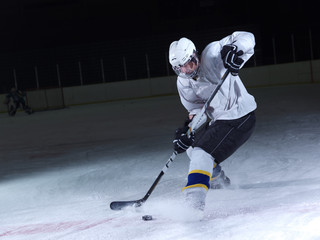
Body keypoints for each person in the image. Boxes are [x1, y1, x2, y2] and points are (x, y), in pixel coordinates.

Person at [169, 31, 257, 212]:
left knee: (202, 153)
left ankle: (194, 204)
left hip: (240, 116)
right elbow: (196, 110)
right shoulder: (183, 82)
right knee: (192, 147)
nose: (186, 71)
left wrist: (234, 49)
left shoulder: (212, 55)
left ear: (196, 55)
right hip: (221, 120)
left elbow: (247, 37)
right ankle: (217, 179)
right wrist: (188, 131)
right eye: (180, 68)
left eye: (189, 63)